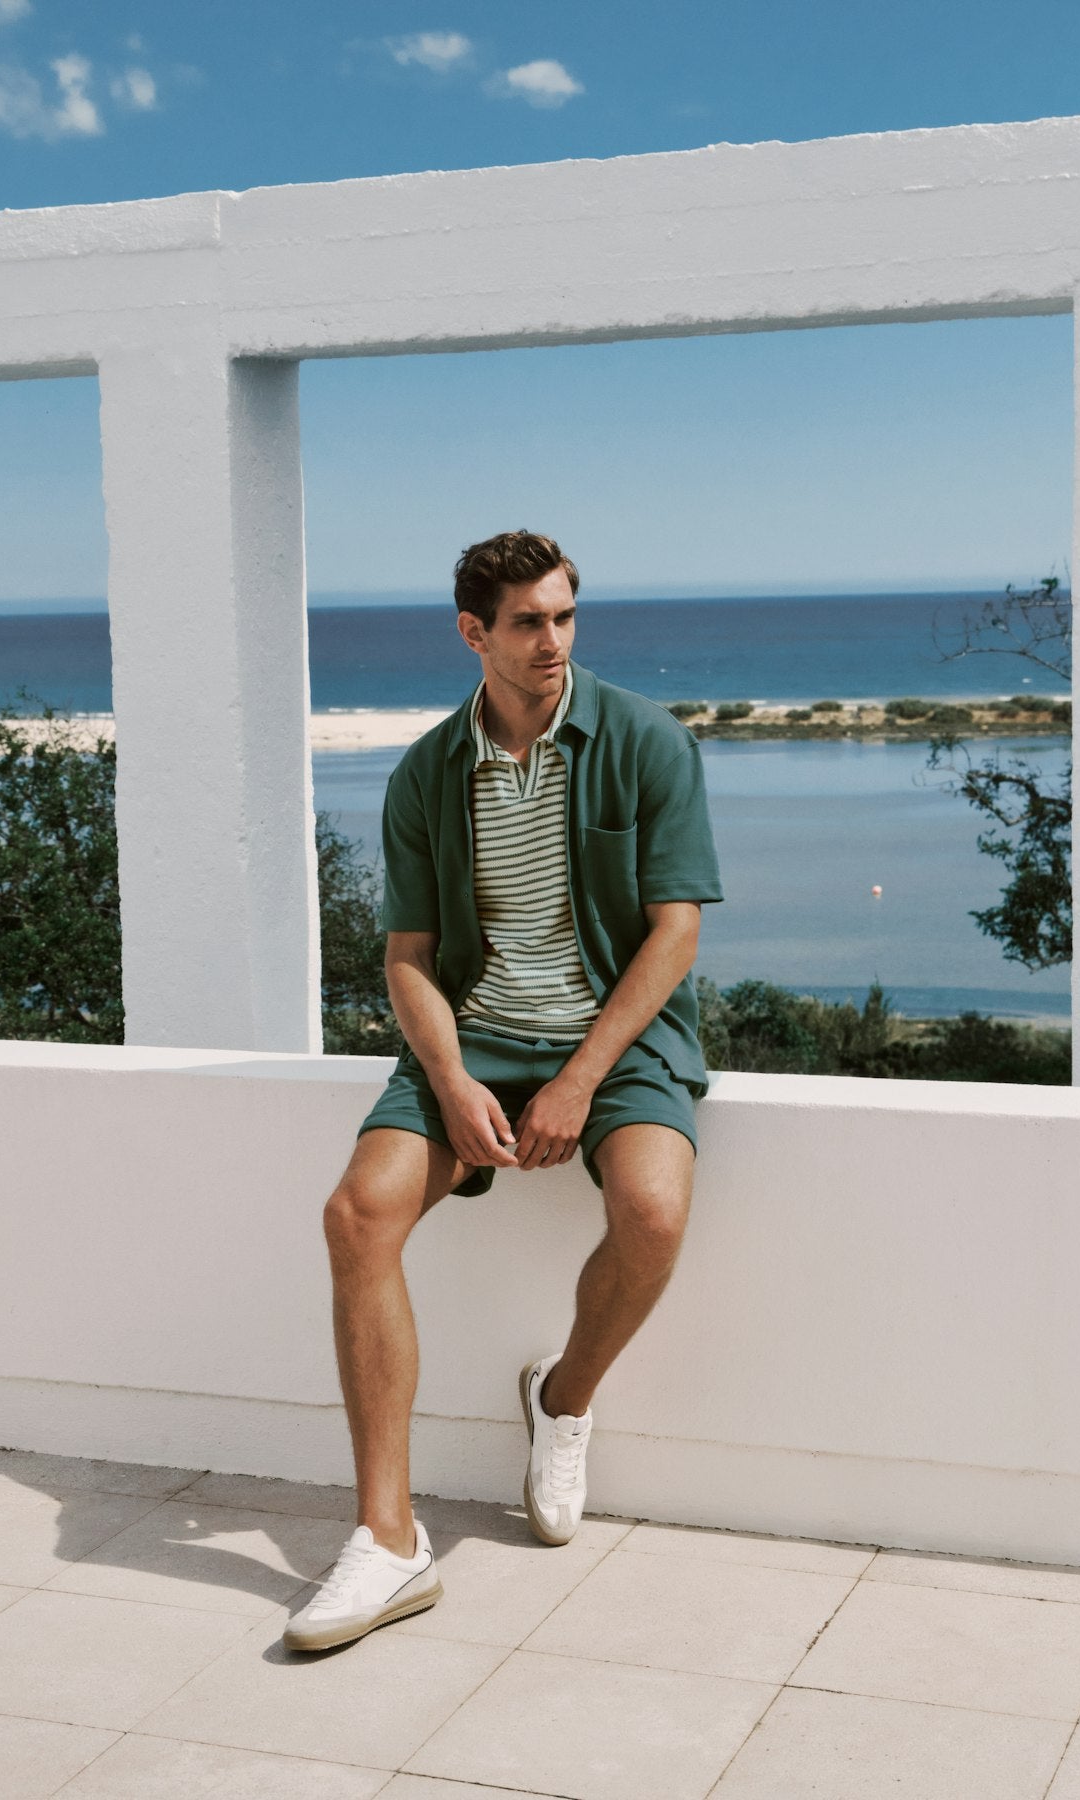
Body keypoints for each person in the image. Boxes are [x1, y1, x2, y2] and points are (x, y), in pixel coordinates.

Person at [284, 529, 724, 1653]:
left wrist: (577, 1080)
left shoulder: (646, 741)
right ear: (473, 633)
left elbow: (675, 933)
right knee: (357, 1215)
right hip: (473, 1040)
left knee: (653, 1211)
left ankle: (562, 1399)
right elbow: (409, 957)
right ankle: (389, 1543)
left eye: (565, 617)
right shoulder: (427, 772)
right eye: (527, 622)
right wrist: (449, 1077)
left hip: (617, 1043)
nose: (553, 641)